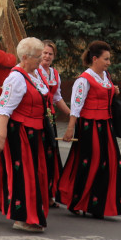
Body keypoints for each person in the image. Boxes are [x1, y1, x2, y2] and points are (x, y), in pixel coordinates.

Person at [0, 36, 50, 233]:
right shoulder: (15, 78)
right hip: (20, 132)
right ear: (25, 57)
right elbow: (4, 109)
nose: (41, 59)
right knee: (24, 175)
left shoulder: (37, 75)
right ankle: (22, 218)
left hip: (36, 131)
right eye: (37, 56)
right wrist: (0, 139)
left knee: (19, 170)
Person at [58, 40, 121, 218]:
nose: (109, 62)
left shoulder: (106, 75)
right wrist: (70, 129)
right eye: (106, 59)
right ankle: (76, 201)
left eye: (109, 59)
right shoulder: (83, 80)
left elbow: (105, 92)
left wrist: (114, 90)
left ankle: (98, 205)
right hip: (90, 126)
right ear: (95, 59)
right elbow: (76, 106)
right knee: (90, 164)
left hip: (106, 126)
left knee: (110, 165)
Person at [39, 40, 70, 207]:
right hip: (38, 118)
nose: (47, 56)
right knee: (41, 157)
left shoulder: (55, 74)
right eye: (44, 53)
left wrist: (72, 115)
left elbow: (57, 98)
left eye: (50, 54)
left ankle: (50, 195)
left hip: (50, 119)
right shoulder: (34, 71)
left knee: (52, 157)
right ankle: (40, 194)